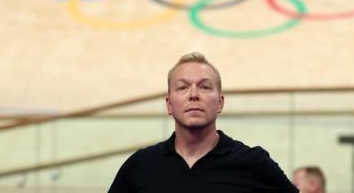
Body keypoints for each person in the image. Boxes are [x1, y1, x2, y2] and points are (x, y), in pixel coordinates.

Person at [108, 52, 298, 193]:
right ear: (169, 105)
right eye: (182, 87)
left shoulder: (253, 162)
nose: (193, 95)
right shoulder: (141, 165)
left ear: (220, 103)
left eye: (204, 87)